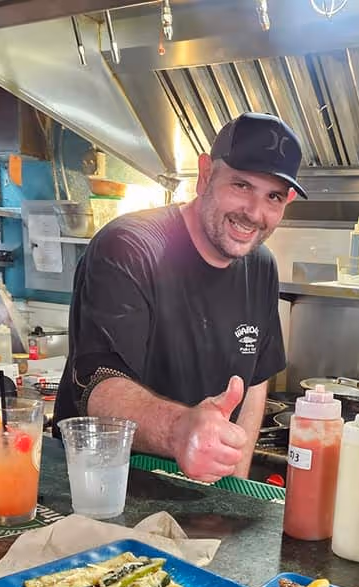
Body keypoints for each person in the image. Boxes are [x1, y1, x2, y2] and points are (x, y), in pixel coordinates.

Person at [53, 112, 307, 482]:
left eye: (273, 197)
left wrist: (235, 486)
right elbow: (98, 386)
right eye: (241, 185)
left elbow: (254, 384)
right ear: (205, 174)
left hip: (200, 492)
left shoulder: (262, 266)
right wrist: (179, 431)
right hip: (104, 481)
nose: (255, 213)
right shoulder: (129, 247)